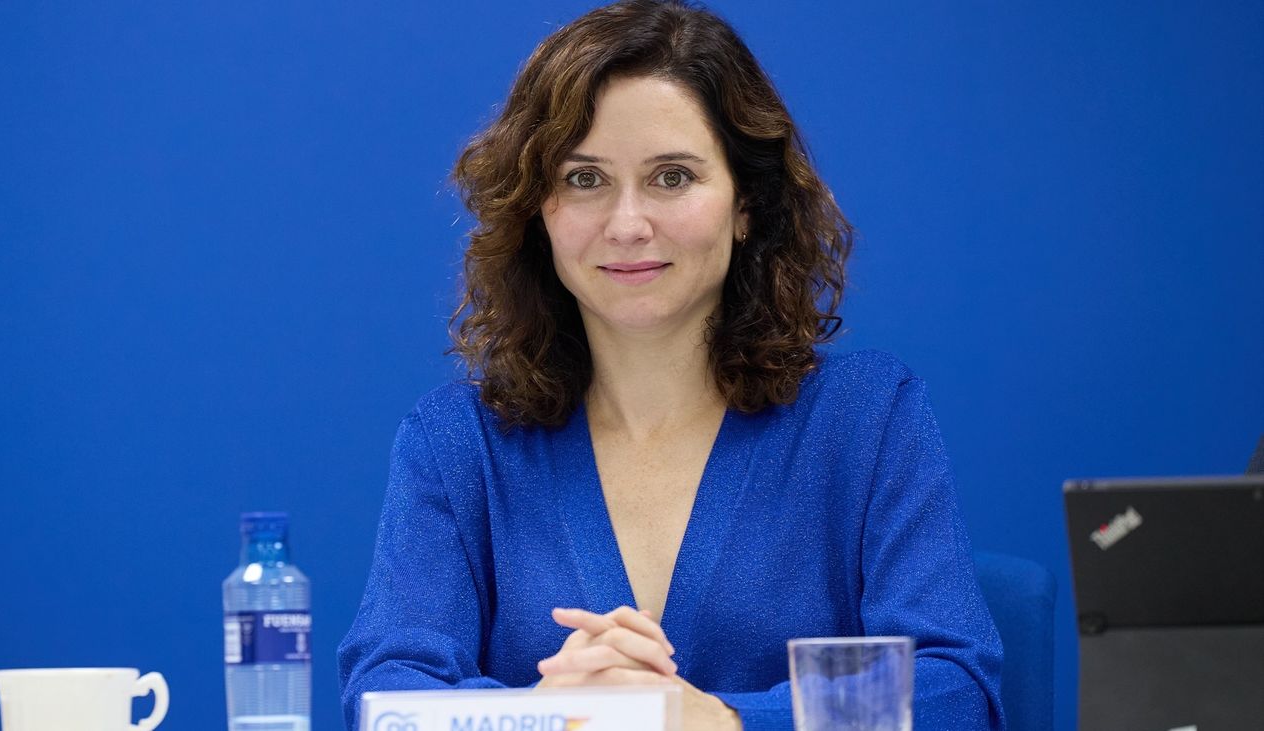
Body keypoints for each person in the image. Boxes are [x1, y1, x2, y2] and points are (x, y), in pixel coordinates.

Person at [338, 1, 1005, 729]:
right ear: (537, 209)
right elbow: (383, 696)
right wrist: (540, 716)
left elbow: (955, 690)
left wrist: (721, 720)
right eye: (585, 179)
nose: (628, 224)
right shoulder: (458, 444)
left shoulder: (866, 420)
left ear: (747, 203)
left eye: (673, 177)